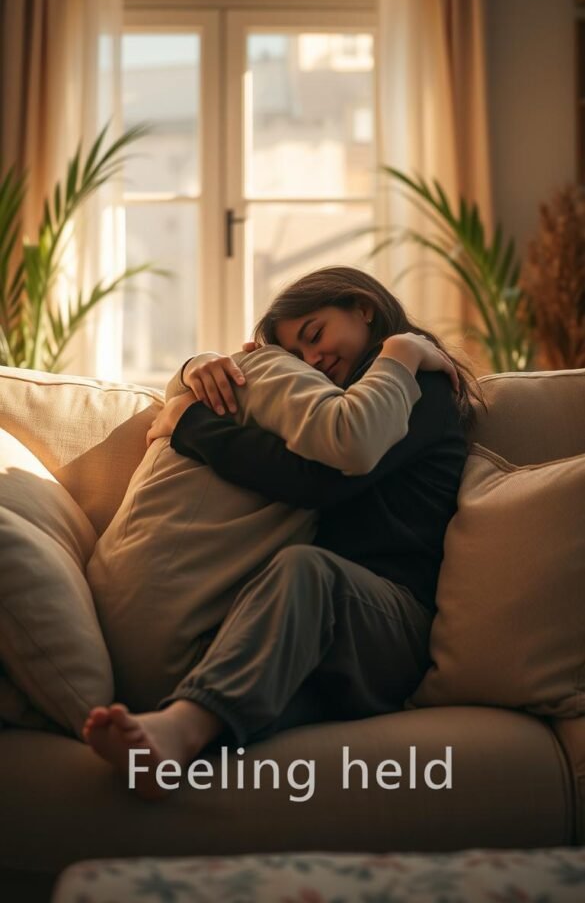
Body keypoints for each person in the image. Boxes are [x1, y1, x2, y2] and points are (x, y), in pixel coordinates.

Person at [84, 266, 483, 800]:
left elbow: (318, 484)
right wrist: (199, 369)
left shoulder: (415, 388)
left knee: (303, 568)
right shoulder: (339, 401)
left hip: (391, 622)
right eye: (298, 355)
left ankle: (178, 728)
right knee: (267, 670)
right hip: (313, 633)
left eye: (315, 334)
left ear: (362, 307)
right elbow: (272, 417)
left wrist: (192, 426)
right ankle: (180, 733)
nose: (313, 359)